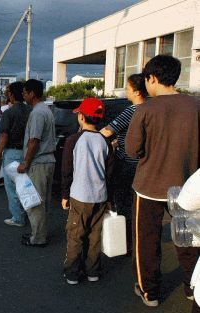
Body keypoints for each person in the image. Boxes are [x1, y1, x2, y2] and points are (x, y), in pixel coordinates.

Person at [125, 55, 200, 307]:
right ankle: (192, 287)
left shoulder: (145, 109)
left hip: (148, 187)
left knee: (146, 240)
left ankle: (150, 292)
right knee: (188, 239)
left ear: (152, 78)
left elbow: (132, 150)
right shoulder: (196, 106)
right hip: (187, 187)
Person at [61, 98, 114, 285]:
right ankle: (93, 272)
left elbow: (67, 170)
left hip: (80, 195)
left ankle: (72, 273)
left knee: (75, 235)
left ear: (81, 117)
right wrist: (109, 198)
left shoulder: (73, 140)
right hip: (100, 195)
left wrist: (65, 195)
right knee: (94, 235)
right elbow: (109, 172)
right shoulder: (105, 141)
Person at [100, 73, 148, 251]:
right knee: (140, 207)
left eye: (127, 88)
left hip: (127, 163)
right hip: (145, 164)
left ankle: (126, 242)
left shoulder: (132, 110)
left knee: (124, 203)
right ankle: (139, 241)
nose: (125, 91)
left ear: (136, 92)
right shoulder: (151, 109)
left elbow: (107, 131)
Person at [18, 79, 56, 247]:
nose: (24, 96)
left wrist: (26, 162)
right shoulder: (45, 109)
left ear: (32, 93)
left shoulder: (37, 113)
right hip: (47, 160)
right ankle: (38, 233)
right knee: (42, 201)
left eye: (25, 92)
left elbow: (34, 140)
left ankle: (38, 238)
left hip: (39, 162)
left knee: (35, 202)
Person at [0, 81, 31, 227]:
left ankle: (18, 217)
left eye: (7, 91)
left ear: (11, 94)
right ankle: (28, 213)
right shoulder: (30, 111)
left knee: (12, 187)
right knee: (26, 185)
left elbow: (4, 136)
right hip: (28, 151)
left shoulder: (9, 113)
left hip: (12, 152)